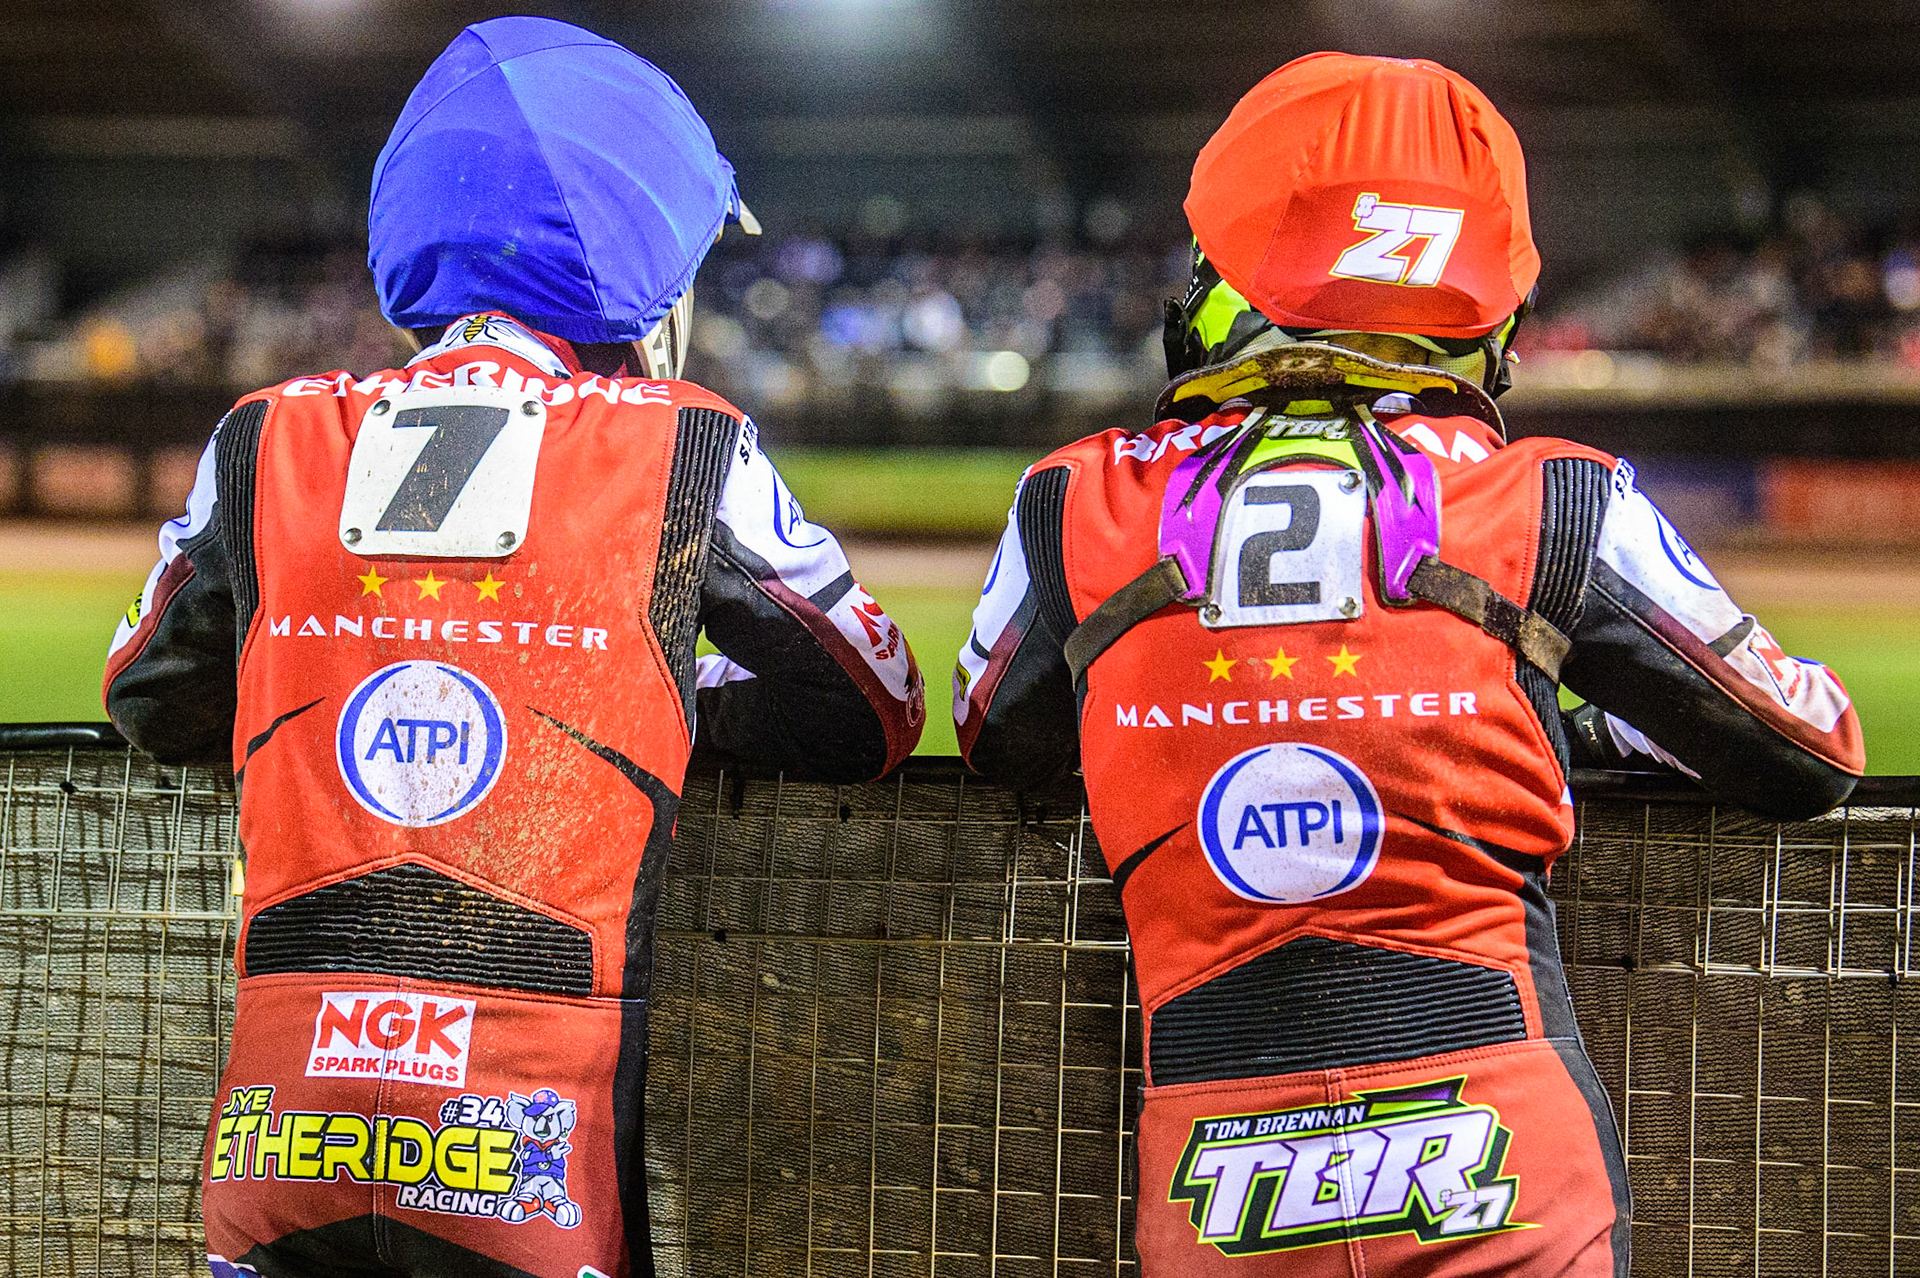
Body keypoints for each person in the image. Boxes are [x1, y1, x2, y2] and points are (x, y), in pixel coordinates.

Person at [954, 52, 1861, 1278]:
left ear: (1226, 281)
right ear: (1485, 314)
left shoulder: (1069, 503)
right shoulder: (1558, 498)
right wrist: (1568, 730)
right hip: (1501, 1170)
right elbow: (1808, 749)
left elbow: (1002, 733)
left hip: (1215, 1186)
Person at [103, 18, 924, 1278]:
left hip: (277, 1137)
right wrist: (650, 689)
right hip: (530, 1148)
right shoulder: (683, 442)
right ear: (639, 262)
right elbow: (874, 705)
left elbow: (149, 696)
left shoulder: (265, 435)